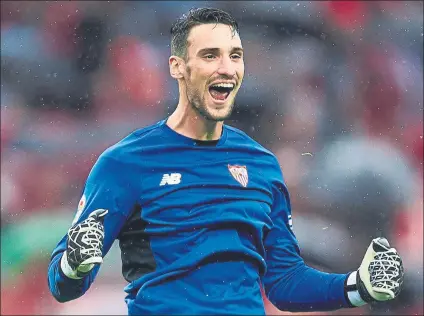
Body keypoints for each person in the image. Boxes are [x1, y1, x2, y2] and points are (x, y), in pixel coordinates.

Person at [47, 7, 404, 315]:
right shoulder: (125, 163)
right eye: (210, 55)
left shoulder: (262, 165)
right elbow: (64, 284)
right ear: (178, 67)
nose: (226, 68)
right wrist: (74, 264)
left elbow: (284, 281)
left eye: (235, 55)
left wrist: (358, 286)